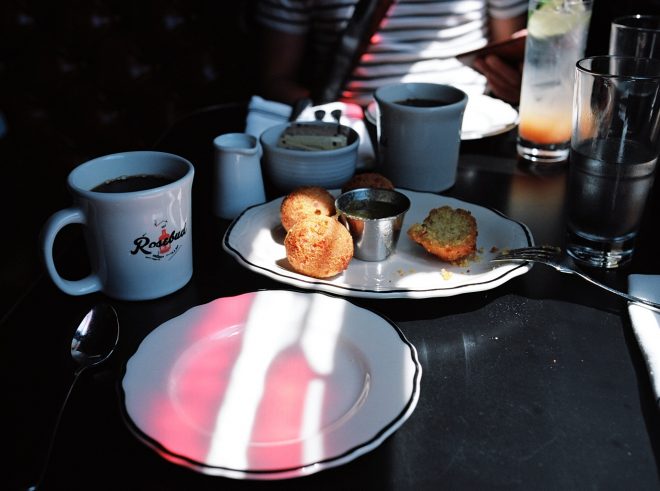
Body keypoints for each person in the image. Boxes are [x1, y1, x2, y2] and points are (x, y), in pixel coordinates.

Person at [253, 0, 528, 108]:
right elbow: (275, 80)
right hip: (356, 135)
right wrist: (334, 114)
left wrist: (517, 89)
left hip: (474, 127)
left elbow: (507, 58)